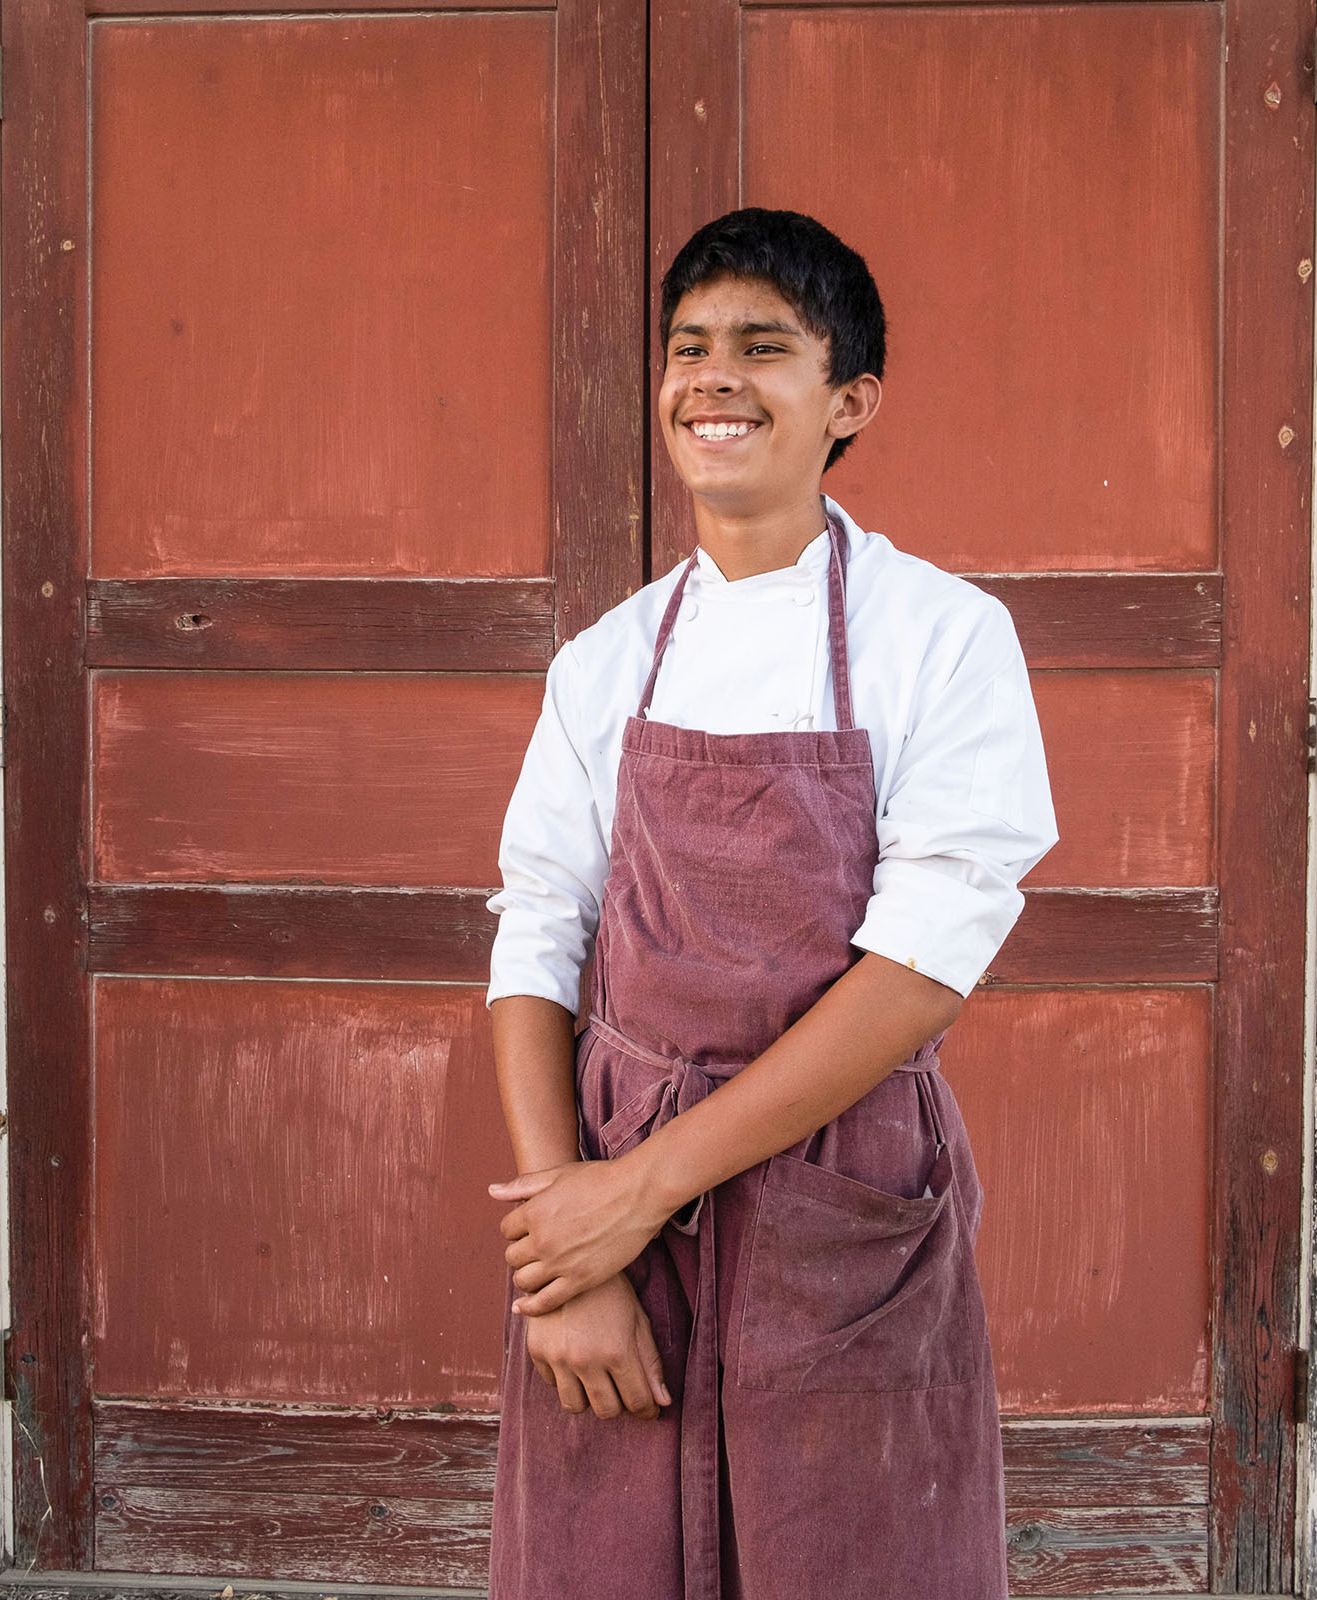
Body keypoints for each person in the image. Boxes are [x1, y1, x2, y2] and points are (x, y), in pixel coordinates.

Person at [482, 207, 1059, 1598]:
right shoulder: (607, 660)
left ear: (849, 399)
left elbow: (924, 960)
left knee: (857, 1554)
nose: (713, 378)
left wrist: (640, 1191)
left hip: (841, 1199)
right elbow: (535, 931)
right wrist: (573, 1253)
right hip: (609, 1184)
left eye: (763, 347)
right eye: (689, 348)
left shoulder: (944, 637)